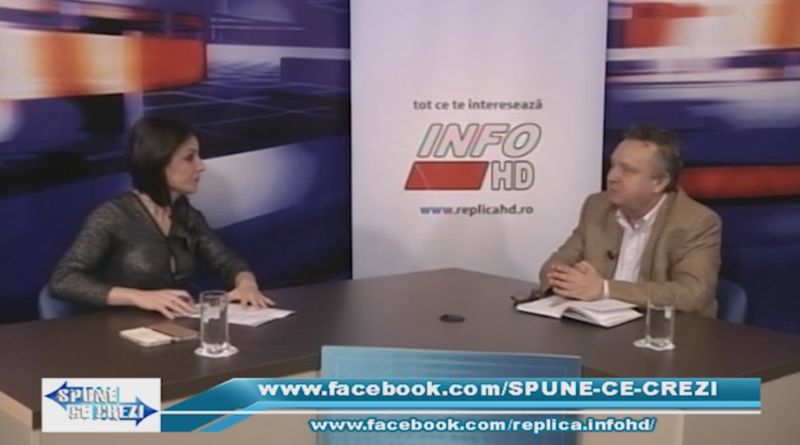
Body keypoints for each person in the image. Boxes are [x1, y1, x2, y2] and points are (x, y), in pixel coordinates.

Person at [49, 116, 272, 319]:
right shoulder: (113, 215)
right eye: (189, 158)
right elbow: (63, 280)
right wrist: (138, 297)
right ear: (158, 161)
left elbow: (227, 262)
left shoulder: (187, 215)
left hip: (172, 327)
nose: (201, 166)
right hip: (119, 332)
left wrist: (246, 284)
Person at [539, 123, 721, 317]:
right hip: (598, 324)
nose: (612, 177)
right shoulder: (597, 206)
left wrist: (604, 289)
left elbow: (692, 294)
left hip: (664, 329)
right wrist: (569, 281)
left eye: (627, 170)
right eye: (613, 166)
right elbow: (556, 264)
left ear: (659, 182)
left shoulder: (696, 222)